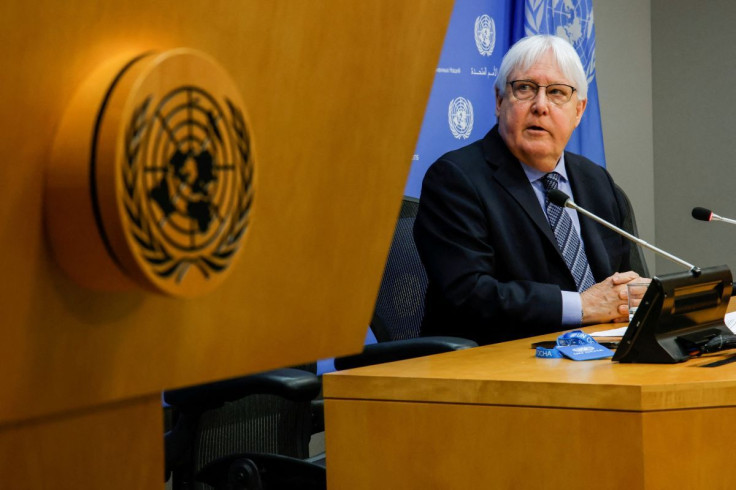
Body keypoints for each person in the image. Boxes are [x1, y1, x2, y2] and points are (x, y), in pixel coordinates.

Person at [414, 34, 643, 345]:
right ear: (499, 101)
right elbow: (470, 294)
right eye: (525, 89)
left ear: (579, 111)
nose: (540, 106)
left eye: (557, 93)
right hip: (502, 363)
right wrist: (583, 306)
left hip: (601, 354)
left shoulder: (596, 181)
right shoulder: (456, 179)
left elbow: (625, 284)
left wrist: (639, 297)